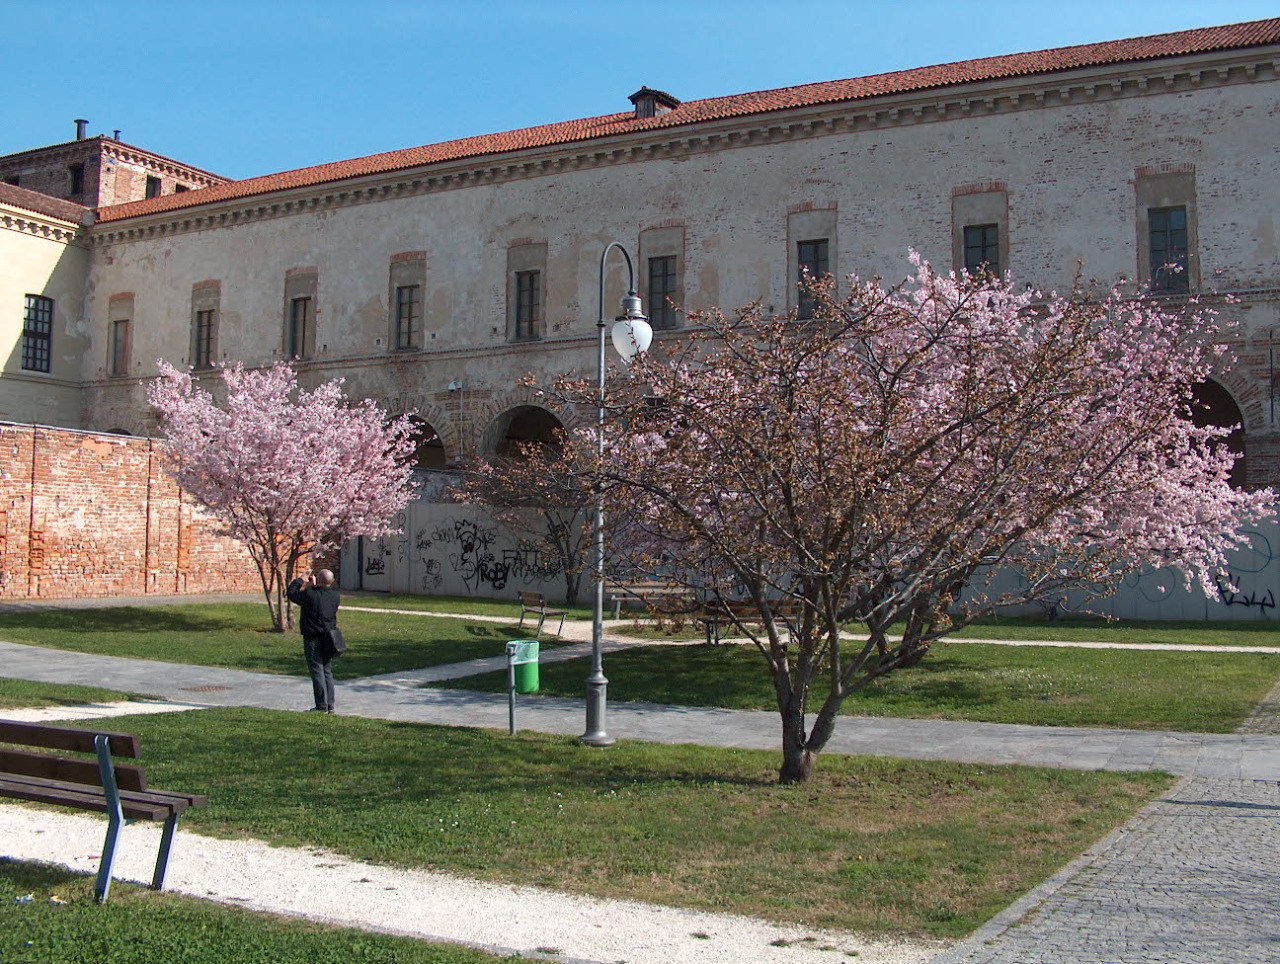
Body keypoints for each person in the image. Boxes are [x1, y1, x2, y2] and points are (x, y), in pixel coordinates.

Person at [287, 568, 342, 713]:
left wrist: (302, 580)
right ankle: (329, 705)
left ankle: (321, 705)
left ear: (318, 580)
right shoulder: (335, 596)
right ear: (332, 581)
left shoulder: (310, 595)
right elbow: (321, 597)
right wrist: (315, 586)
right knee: (327, 670)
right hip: (329, 637)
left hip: (313, 637)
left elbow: (291, 593)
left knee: (317, 670)